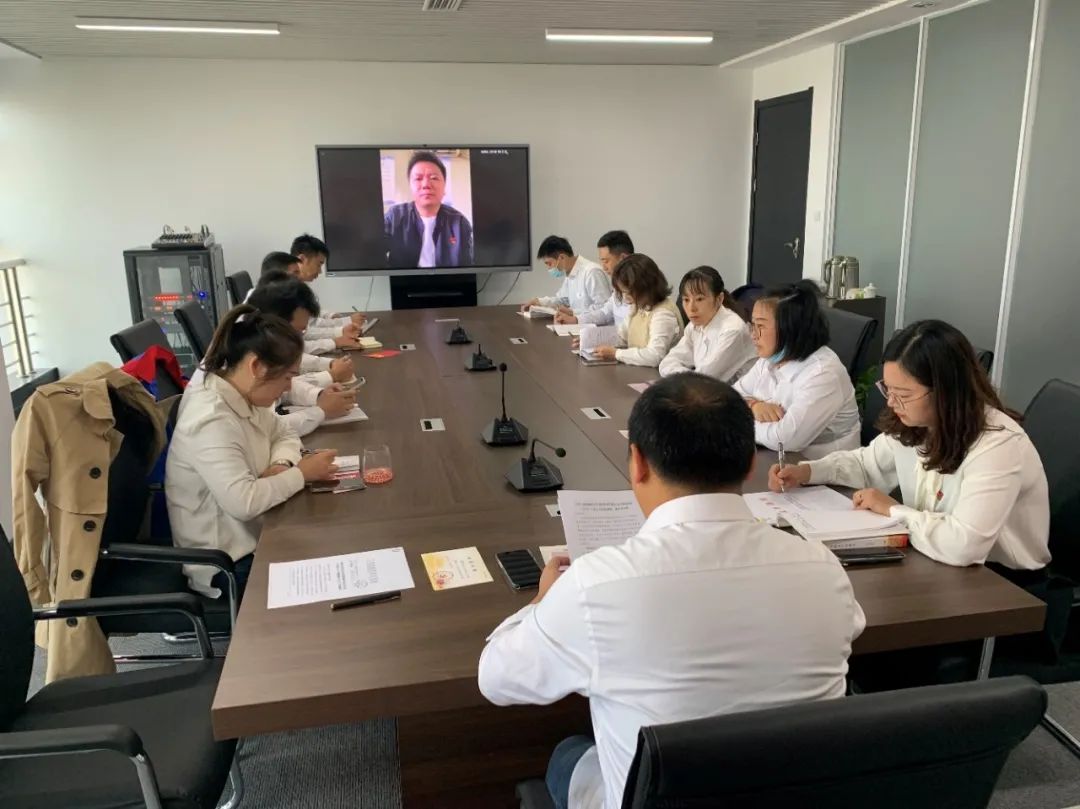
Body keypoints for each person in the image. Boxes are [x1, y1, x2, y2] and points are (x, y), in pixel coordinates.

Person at [478, 373, 865, 809]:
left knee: (569, 753)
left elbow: (496, 678)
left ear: (637, 463)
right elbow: (851, 627)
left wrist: (542, 600)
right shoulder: (822, 568)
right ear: (749, 464)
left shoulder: (596, 585)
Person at [771, 319, 1050, 573]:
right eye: (888, 389)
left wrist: (893, 511)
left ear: (945, 391)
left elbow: (964, 545)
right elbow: (867, 465)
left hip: (1002, 582)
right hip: (933, 560)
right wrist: (807, 472)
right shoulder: (917, 422)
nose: (892, 402)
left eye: (903, 394)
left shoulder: (998, 445)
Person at [166, 306, 339, 601]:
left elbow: (284, 432)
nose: (288, 387)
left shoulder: (242, 393)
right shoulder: (209, 418)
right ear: (256, 366)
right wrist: (301, 474)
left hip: (259, 532)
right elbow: (244, 503)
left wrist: (281, 464)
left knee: (333, 544)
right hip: (228, 563)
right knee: (329, 576)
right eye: (287, 377)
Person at [732, 280, 859, 459]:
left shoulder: (823, 373)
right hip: (778, 459)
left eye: (760, 326)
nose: (753, 335)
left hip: (823, 469)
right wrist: (754, 406)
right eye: (752, 325)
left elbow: (784, 439)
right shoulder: (770, 359)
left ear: (790, 329)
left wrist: (738, 420)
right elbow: (729, 398)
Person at [247, 279, 358, 436]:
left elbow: (284, 388)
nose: (301, 339)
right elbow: (269, 429)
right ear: (275, 325)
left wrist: (319, 396)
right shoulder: (249, 363)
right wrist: (321, 411)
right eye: (299, 331)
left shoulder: (263, 349)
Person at [659, 266, 756, 383]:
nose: (691, 308)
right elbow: (667, 363)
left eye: (699, 299)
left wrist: (681, 373)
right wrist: (685, 374)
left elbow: (705, 379)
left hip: (739, 392)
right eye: (686, 300)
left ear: (719, 299)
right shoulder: (694, 326)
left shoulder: (732, 329)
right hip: (705, 389)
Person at [384, 150, 474, 268]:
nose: (426, 184)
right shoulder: (394, 217)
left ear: (444, 186)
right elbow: (372, 253)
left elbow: (469, 266)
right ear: (410, 186)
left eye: (434, 178)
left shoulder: (460, 223)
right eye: (418, 179)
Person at [588, 254, 681, 367]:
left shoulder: (663, 314)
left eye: (627, 292)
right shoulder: (639, 305)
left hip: (659, 374)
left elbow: (655, 356)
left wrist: (616, 353)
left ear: (645, 287)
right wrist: (590, 340)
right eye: (622, 292)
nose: (625, 297)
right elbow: (622, 336)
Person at [555, 230, 635, 327]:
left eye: (606, 261)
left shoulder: (642, 285)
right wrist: (576, 320)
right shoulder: (619, 285)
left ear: (623, 258)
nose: (604, 267)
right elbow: (605, 312)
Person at [521, 236, 611, 317]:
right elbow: (562, 300)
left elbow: (604, 308)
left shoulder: (592, 272)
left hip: (596, 328)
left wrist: (573, 313)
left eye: (549, 263)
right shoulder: (570, 273)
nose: (549, 268)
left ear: (562, 258)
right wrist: (539, 302)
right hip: (578, 324)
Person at [290, 233, 368, 327]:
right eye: (319, 264)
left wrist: (330, 315)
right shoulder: (285, 289)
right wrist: (347, 321)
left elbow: (309, 312)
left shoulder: (298, 284)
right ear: (302, 259)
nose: (320, 271)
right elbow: (309, 326)